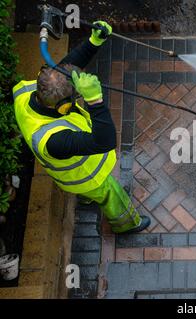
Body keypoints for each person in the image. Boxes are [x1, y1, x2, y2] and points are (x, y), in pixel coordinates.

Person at [13, 21, 150, 234]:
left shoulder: (28, 91)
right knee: (112, 194)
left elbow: (66, 69)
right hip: (87, 175)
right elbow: (104, 141)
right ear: (63, 106)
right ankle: (127, 224)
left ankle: (87, 199)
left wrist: (94, 42)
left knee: (90, 193)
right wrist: (95, 101)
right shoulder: (53, 140)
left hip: (72, 171)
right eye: (75, 96)